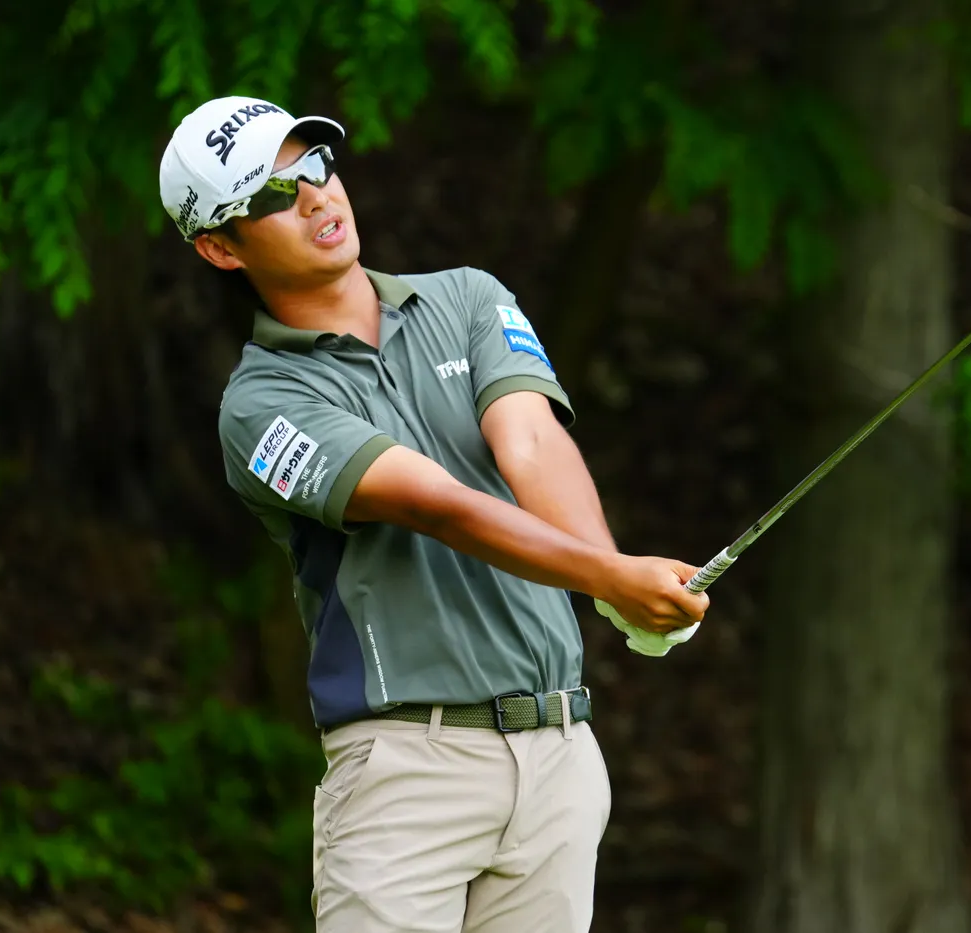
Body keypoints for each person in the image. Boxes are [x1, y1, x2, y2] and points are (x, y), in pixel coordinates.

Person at [157, 95, 710, 933]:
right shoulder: (261, 405)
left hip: (558, 752)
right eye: (271, 193)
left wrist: (615, 588)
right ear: (220, 248)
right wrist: (609, 577)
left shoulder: (468, 298)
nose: (315, 197)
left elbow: (531, 445)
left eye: (316, 166)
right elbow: (437, 504)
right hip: (405, 771)